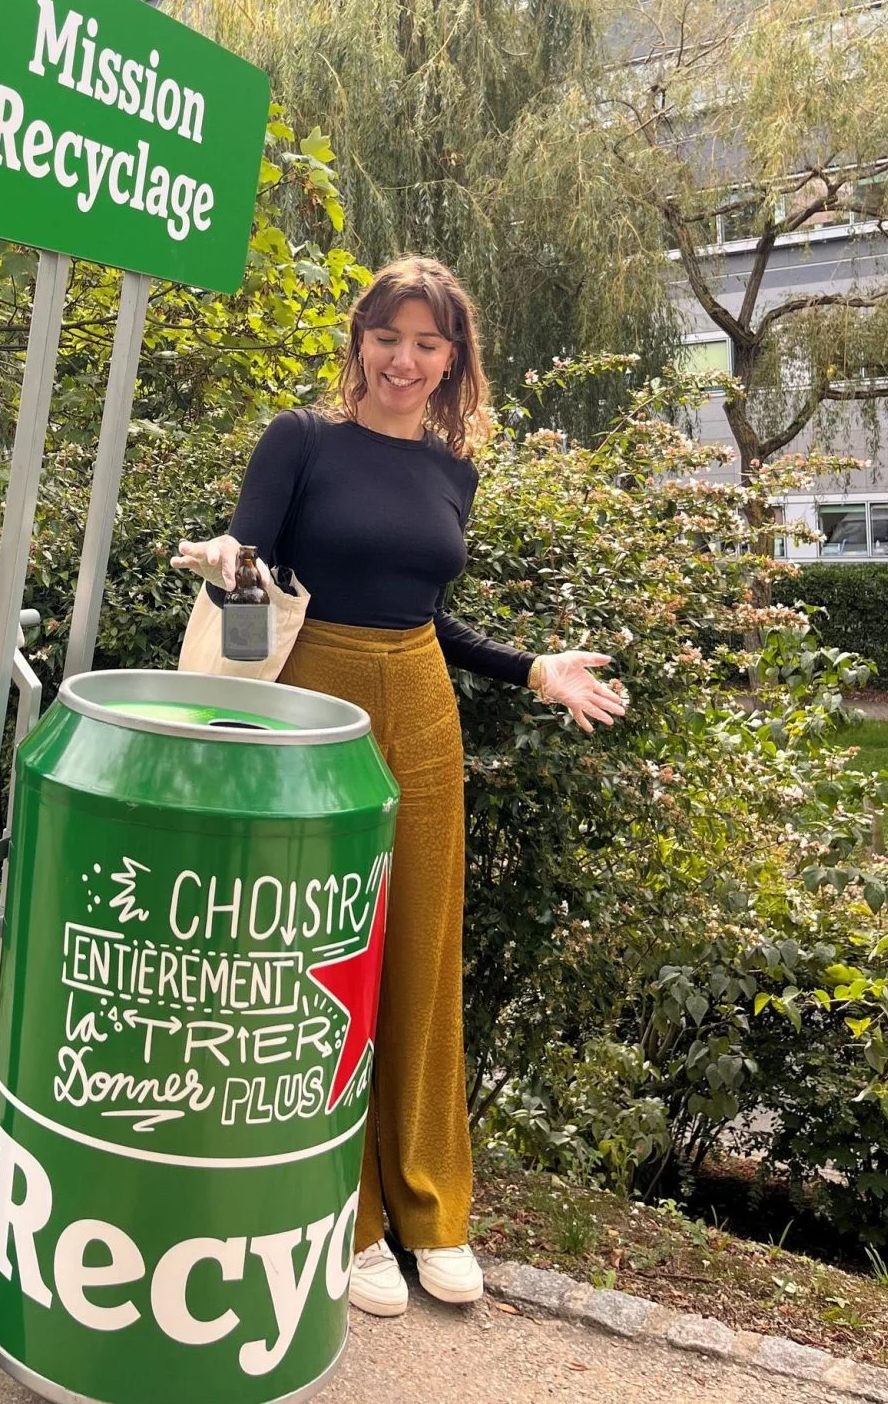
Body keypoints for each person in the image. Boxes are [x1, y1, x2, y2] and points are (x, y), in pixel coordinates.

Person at [172, 255, 626, 1316]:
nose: (404, 361)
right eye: (388, 338)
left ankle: (428, 1210)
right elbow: (256, 575)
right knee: (319, 951)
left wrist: (533, 670)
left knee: (419, 952)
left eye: (428, 344)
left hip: (420, 703)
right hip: (312, 696)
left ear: (453, 359)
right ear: (359, 342)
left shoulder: (450, 469)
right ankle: (346, 1216)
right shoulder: (301, 441)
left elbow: (423, 613)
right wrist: (232, 573)